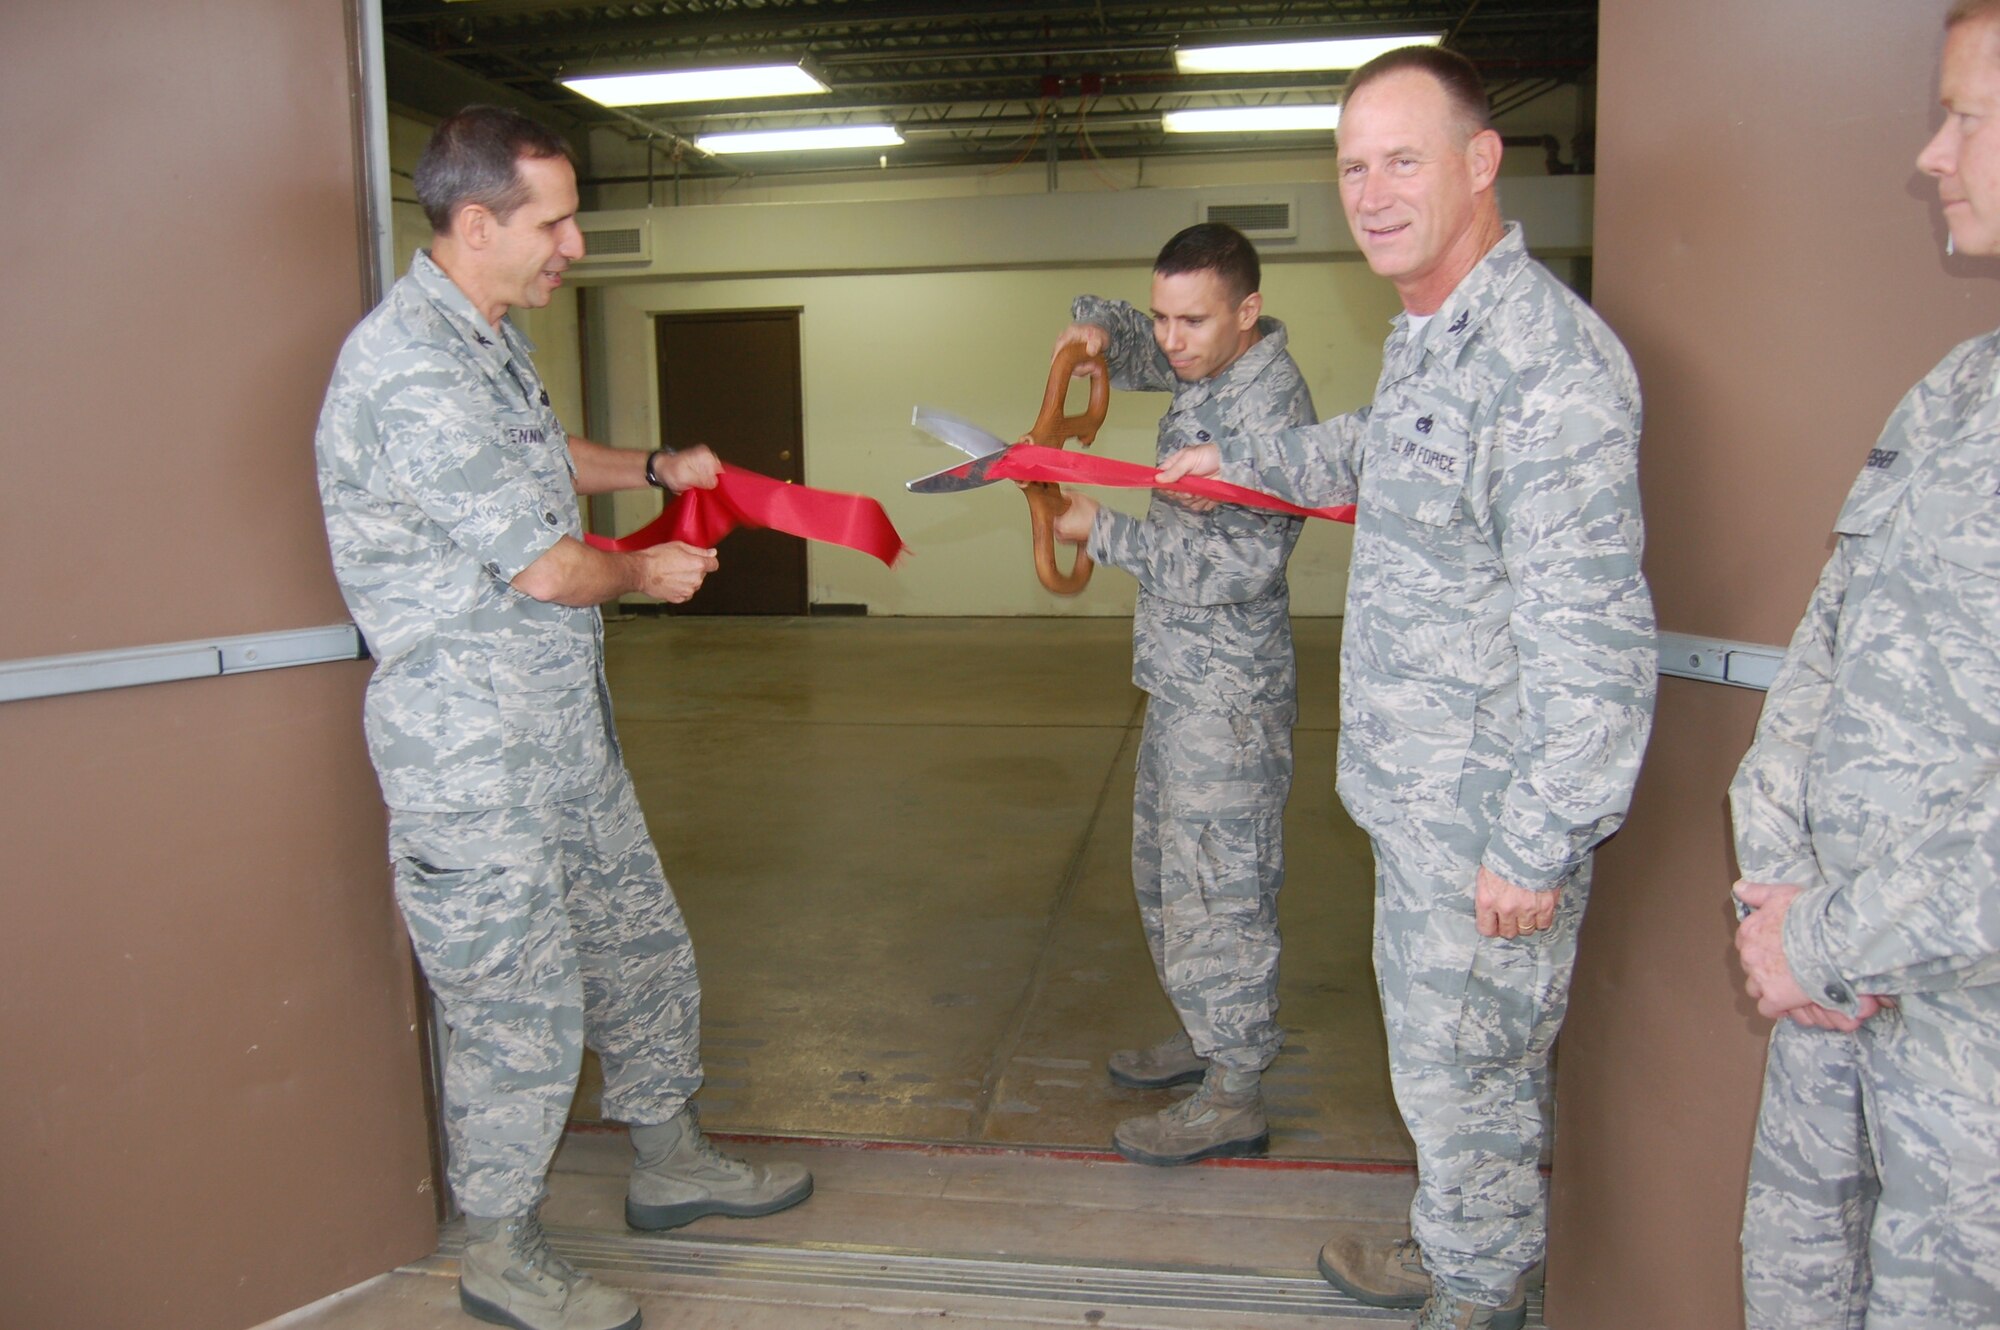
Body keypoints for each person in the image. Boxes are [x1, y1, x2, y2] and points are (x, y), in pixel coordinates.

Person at [1156, 46, 1656, 1330]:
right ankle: (1452, 1244)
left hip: (1488, 824)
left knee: (1469, 1075)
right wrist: (1241, 456)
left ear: (1479, 162)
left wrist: (1534, 840)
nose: (1370, 192)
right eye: (1351, 166)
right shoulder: (1436, 338)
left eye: (1401, 159)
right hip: (1420, 800)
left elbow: (1594, 645)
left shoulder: (1544, 364)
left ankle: (1478, 1297)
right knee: (1435, 1071)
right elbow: (1374, 448)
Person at [314, 106, 811, 1330]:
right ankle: (502, 1244)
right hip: (469, 757)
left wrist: (650, 468)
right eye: (554, 221)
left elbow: (539, 459)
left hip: (555, 731)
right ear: (475, 223)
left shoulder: (482, 338)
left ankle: (671, 1160)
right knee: (511, 998)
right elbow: (543, 565)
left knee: (638, 939)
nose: (575, 244)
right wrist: (645, 571)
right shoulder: (408, 368)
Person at [1729, 5, 2000, 1326]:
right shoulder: (1954, 394)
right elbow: (1826, 640)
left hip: (1971, 1074)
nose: (1930, 156)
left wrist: (1826, 937)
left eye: (1969, 118)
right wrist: (1774, 880)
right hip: (1833, 1022)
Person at [1043, 223, 1316, 1166]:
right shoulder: (1207, 365)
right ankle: (1206, 1036)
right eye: (1160, 317)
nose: (1170, 340)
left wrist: (1104, 531)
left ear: (1248, 312)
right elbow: (1135, 344)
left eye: (1190, 320)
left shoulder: (1266, 408)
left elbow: (1240, 562)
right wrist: (1094, 332)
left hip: (1229, 695)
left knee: (1219, 887)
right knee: (1166, 874)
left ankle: (1235, 1087)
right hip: (1181, 681)